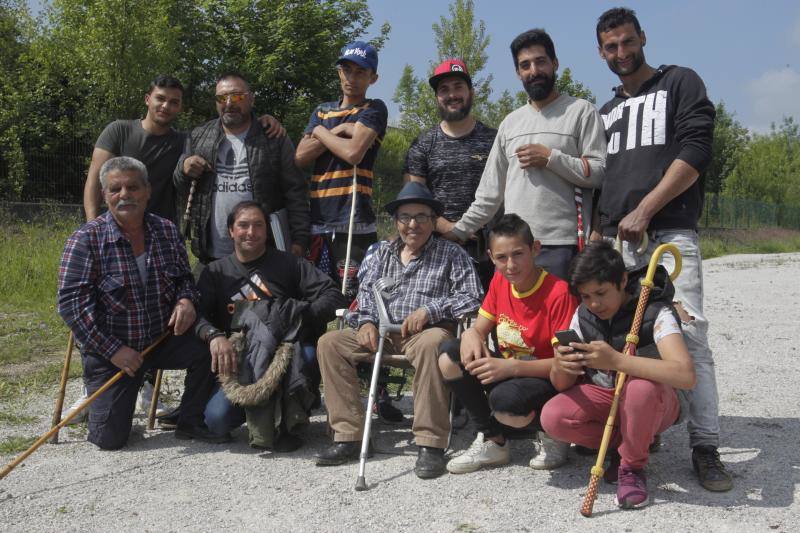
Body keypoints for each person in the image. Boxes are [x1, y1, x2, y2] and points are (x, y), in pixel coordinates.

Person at [593, 7, 732, 492]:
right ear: (601, 52)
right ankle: (636, 433)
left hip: (669, 234)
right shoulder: (605, 111)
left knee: (689, 337)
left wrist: (646, 210)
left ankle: (706, 446)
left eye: (628, 42)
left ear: (643, 38)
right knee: (623, 340)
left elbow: (696, 152)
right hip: (618, 241)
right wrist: (599, 235)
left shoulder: (679, 82)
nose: (621, 52)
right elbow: (601, 180)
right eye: (611, 46)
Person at [314, 181, 482, 479]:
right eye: (405, 217)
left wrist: (430, 310)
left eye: (421, 217)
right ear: (396, 221)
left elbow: (472, 297)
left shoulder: (451, 254)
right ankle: (349, 436)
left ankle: (430, 443)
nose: (412, 224)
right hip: (380, 332)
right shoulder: (381, 253)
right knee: (330, 342)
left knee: (432, 343)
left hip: (425, 333)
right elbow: (365, 294)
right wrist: (365, 321)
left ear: (434, 221)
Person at [57, 156, 217, 450]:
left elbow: (185, 279)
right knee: (109, 439)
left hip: (161, 340)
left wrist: (185, 300)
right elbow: (72, 307)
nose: (124, 195)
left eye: (132, 187)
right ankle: (105, 399)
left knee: (212, 349)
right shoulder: (85, 240)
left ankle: (190, 420)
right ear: (104, 195)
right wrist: (114, 350)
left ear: (147, 191)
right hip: (113, 351)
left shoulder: (167, 230)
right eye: (115, 189)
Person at [441, 29, 606, 281]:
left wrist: (551, 158)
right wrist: (458, 232)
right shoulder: (510, 123)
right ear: (518, 72)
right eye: (525, 65)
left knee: (561, 310)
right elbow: (489, 194)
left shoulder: (582, 112)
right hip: (512, 250)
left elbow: (599, 173)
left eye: (540, 61)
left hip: (561, 248)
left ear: (555, 63)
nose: (534, 71)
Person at [540, 241, 696, 509]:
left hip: (655, 399)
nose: (594, 303)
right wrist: (561, 366)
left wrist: (617, 361)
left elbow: (685, 375)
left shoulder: (655, 311)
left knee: (639, 389)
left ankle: (631, 468)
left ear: (623, 281)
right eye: (585, 296)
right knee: (553, 417)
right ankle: (627, 445)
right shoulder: (583, 315)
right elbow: (561, 384)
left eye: (601, 293)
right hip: (608, 395)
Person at [193, 201, 345, 450]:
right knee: (216, 421)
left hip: (287, 354)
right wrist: (214, 336)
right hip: (241, 359)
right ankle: (257, 413)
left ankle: (293, 413)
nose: (251, 232)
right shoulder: (215, 272)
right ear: (231, 230)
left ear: (267, 230)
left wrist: (298, 317)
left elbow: (333, 295)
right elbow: (197, 314)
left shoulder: (290, 264)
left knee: (309, 354)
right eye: (243, 225)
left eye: (258, 225)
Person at [438, 214, 577, 474]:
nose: (511, 265)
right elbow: (479, 328)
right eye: (502, 258)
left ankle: (552, 433)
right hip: (507, 370)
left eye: (518, 254)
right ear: (491, 257)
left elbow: (566, 365)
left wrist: (510, 367)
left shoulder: (559, 293)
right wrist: (471, 335)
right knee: (449, 355)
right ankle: (494, 441)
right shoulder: (501, 280)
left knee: (505, 406)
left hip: (547, 378)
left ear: (535, 249)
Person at [174, 72, 309, 265]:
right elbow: (180, 187)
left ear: (251, 99)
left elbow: (295, 191)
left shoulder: (273, 137)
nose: (229, 103)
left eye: (237, 96)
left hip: (265, 252)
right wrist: (183, 168)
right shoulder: (198, 136)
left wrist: (300, 239)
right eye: (222, 98)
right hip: (212, 255)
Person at [294, 41, 388, 300]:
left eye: (360, 72)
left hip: (354, 219)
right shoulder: (322, 111)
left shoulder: (374, 108)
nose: (352, 78)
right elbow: (300, 156)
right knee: (315, 295)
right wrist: (337, 130)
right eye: (346, 70)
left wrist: (320, 132)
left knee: (354, 298)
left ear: (373, 78)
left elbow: (353, 153)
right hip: (319, 218)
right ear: (338, 72)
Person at [403, 58, 498, 289]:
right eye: (444, 89)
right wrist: (449, 228)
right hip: (436, 249)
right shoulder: (422, 144)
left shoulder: (495, 140)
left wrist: (469, 227)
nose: (452, 95)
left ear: (471, 93)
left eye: (458, 87)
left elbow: (506, 192)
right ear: (437, 97)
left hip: (490, 251)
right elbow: (412, 198)